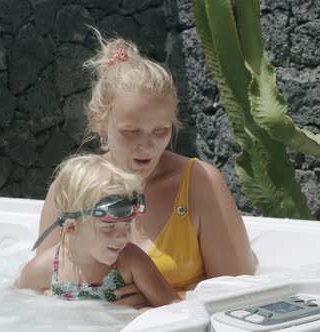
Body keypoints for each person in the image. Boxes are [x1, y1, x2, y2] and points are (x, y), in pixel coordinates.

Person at [35, 32, 256, 307]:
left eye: (161, 131)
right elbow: (39, 291)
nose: (147, 146)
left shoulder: (200, 182)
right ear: (102, 124)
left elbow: (241, 295)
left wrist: (158, 303)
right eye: (131, 131)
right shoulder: (71, 188)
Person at [15, 154, 181, 307]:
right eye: (109, 227)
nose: (122, 236)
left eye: (127, 224)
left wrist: (140, 311)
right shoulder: (44, 269)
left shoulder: (130, 261)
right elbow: (16, 312)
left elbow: (176, 311)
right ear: (72, 227)